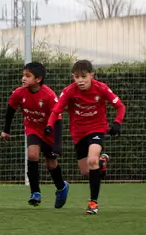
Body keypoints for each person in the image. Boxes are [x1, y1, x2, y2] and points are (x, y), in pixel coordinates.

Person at [47, 59, 125, 215]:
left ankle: (93, 203)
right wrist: (49, 125)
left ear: (92, 75)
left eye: (84, 77)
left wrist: (117, 123)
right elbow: (56, 111)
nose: (80, 81)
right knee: (85, 171)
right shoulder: (69, 91)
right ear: (73, 77)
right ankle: (102, 162)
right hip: (78, 133)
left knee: (92, 160)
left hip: (97, 129)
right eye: (77, 77)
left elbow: (120, 106)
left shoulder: (101, 88)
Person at [2, 61, 69, 208]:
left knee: (51, 164)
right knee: (32, 155)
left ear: (38, 79)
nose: (23, 79)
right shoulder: (19, 93)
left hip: (49, 131)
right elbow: (10, 111)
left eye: (28, 76)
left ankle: (62, 187)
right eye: (23, 75)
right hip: (32, 128)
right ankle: (35, 192)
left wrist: (57, 145)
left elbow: (58, 120)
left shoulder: (49, 95)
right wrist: (6, 130)